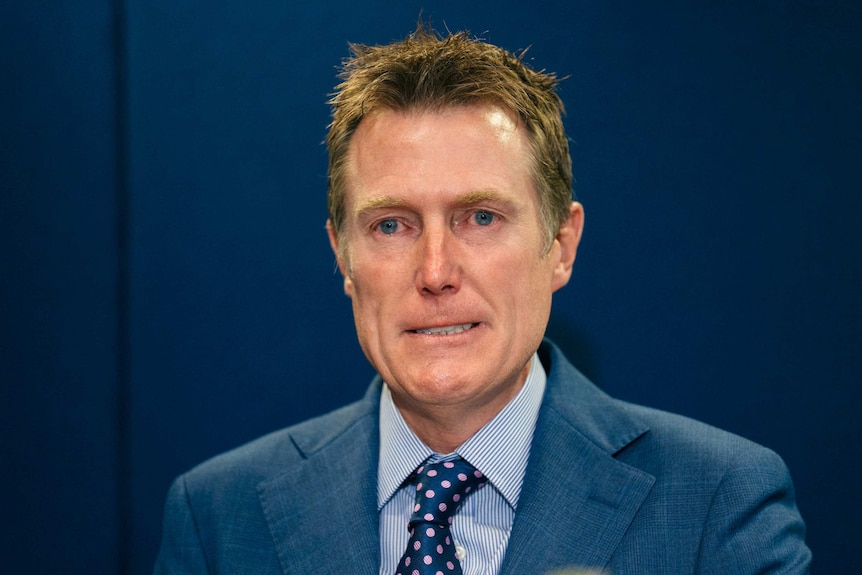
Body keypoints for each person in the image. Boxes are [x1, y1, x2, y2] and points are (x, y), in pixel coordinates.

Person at [154, 25, 811, 574]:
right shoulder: (219, 518)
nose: (436, 271)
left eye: (481, 218)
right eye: (391, 225)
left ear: (561, 245)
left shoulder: (718, 506)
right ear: (342, 256)